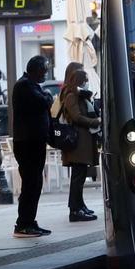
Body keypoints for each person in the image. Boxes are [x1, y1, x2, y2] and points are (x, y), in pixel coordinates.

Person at [10, 56, 53, 238]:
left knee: (35, 182)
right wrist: (48, 96)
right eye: (44, 69)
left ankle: (29, 221)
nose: (46, 73)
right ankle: (23, 223)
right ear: (36, 69)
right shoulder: (24, 85)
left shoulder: (30, 85)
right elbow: (43, 102)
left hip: (33, 141)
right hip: (28, 142)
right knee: (31, 182)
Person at [58, 69, 101, 222]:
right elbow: (76, 117)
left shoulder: (82, 95)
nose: (86, 82)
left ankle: (80, 205)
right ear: (78, 81)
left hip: (84, 142)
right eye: (84, 79)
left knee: (81, 176)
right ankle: (74, 210)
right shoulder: (71, 96)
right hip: (77, 143)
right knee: (78, 177)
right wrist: (95, 122)